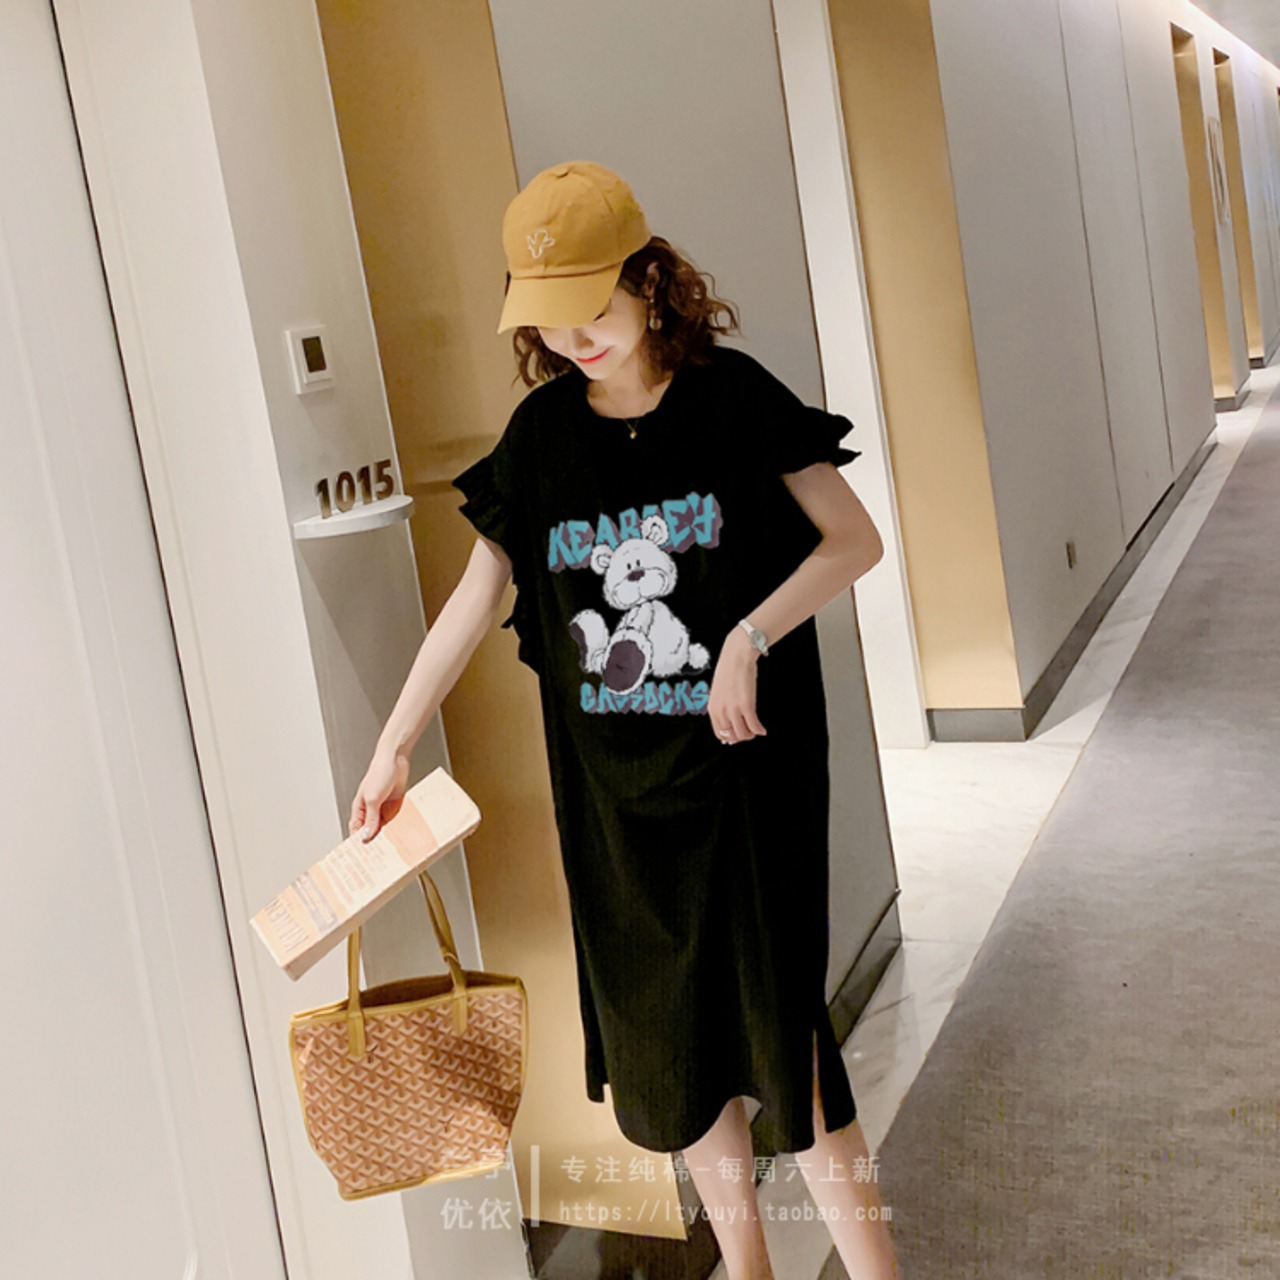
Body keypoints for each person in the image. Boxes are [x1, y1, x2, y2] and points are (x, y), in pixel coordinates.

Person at [349, 161, 898, 1280]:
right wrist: (393, 741)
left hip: (744, 782)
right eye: (548, 320)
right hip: (615, 804)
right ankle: (746, 1268)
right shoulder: (541, 439)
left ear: (649, 283)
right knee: (671, 1056)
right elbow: (474, 599)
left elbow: (854, 541)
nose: (573, 340)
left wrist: (748, 634)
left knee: (785, 1042)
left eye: (591, 309)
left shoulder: (735, 402)